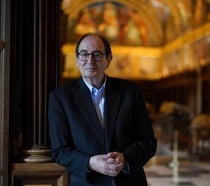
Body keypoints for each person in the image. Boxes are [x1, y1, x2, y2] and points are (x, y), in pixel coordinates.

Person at [48, 33, 157, 186]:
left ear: (108, 60)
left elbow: (148, 142)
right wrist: (90, 162)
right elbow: (59, 151)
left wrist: (125, 158)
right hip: (87, 182)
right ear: (77, 60)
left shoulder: (130, 92)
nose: (90, 61)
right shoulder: (60, 98)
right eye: (84, 54)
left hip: (129, 181)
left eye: (97, 54)